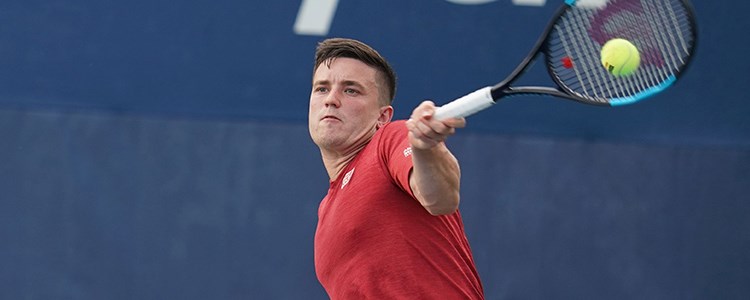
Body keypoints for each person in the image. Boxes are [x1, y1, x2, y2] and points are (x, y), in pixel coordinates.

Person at [308, 37, 484, 299]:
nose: (331, 99)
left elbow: (441, 198)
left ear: (382, 117)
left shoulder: (390, 138)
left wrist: (425, 147)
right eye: (322, 88)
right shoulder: (326, 211)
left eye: (351, 90)